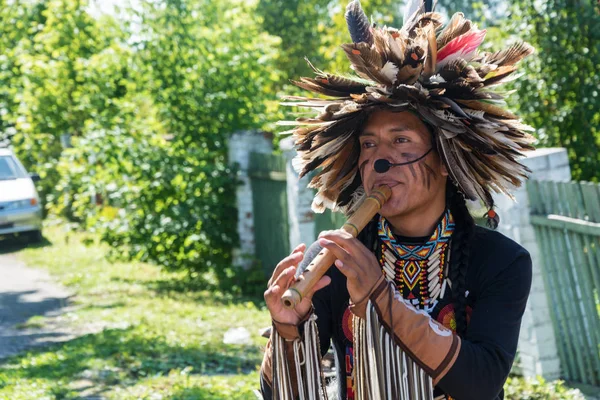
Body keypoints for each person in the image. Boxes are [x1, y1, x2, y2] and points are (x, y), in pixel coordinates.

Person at [260, 1, 535, 399]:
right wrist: (287, 333)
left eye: (400, 141)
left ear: (445, 160)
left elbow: (482, 384)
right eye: (368, 145)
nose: (379, 162)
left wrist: (382, 300)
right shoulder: (334, 259)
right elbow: (277, 395)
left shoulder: (501, 261)